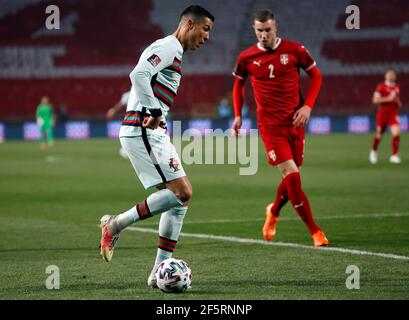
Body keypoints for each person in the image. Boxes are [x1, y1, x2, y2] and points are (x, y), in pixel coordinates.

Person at [99, 5, 214, 288]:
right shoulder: (167, 46)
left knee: (180, 201)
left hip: (151, 132)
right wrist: (153, 109)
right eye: (206, 29)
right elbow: (137, 74)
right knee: (183, 191)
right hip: (143, 131)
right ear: (189, 24)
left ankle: (157, 271)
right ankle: (115, 224)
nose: (207, 36)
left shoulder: (172, 51)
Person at [231, 10, 329, 247]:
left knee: (291, 177)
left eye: (268, 30)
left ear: (276, 28)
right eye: (259, 31)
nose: (264, 35)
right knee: (293, 177)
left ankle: (273, 211)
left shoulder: (295, 50)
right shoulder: (246, 57)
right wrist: (237, 115)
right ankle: (315, 232)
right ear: (254, 30)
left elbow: (316, 76)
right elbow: (238, 85)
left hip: (296, 123)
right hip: (270, 127)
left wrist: (307, 107)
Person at [369, 69, 402, 164]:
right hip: (383, 113)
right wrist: (388, 98)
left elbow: (396, 99)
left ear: (395, 76)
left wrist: (398, 103)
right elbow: (375, 100)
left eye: (392, 74)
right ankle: (373, 151)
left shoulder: (397, 87)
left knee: (396, 133)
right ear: (385, 76)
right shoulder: (381, 87)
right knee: (379, 135)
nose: (391, 76)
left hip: (393, 113)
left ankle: (394, 155)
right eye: (389, 74)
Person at [106, 90, 130, 158]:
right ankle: (127, 149)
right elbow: (121, 104)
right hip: (131, 118)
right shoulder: (128, 95)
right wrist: (113, 110)